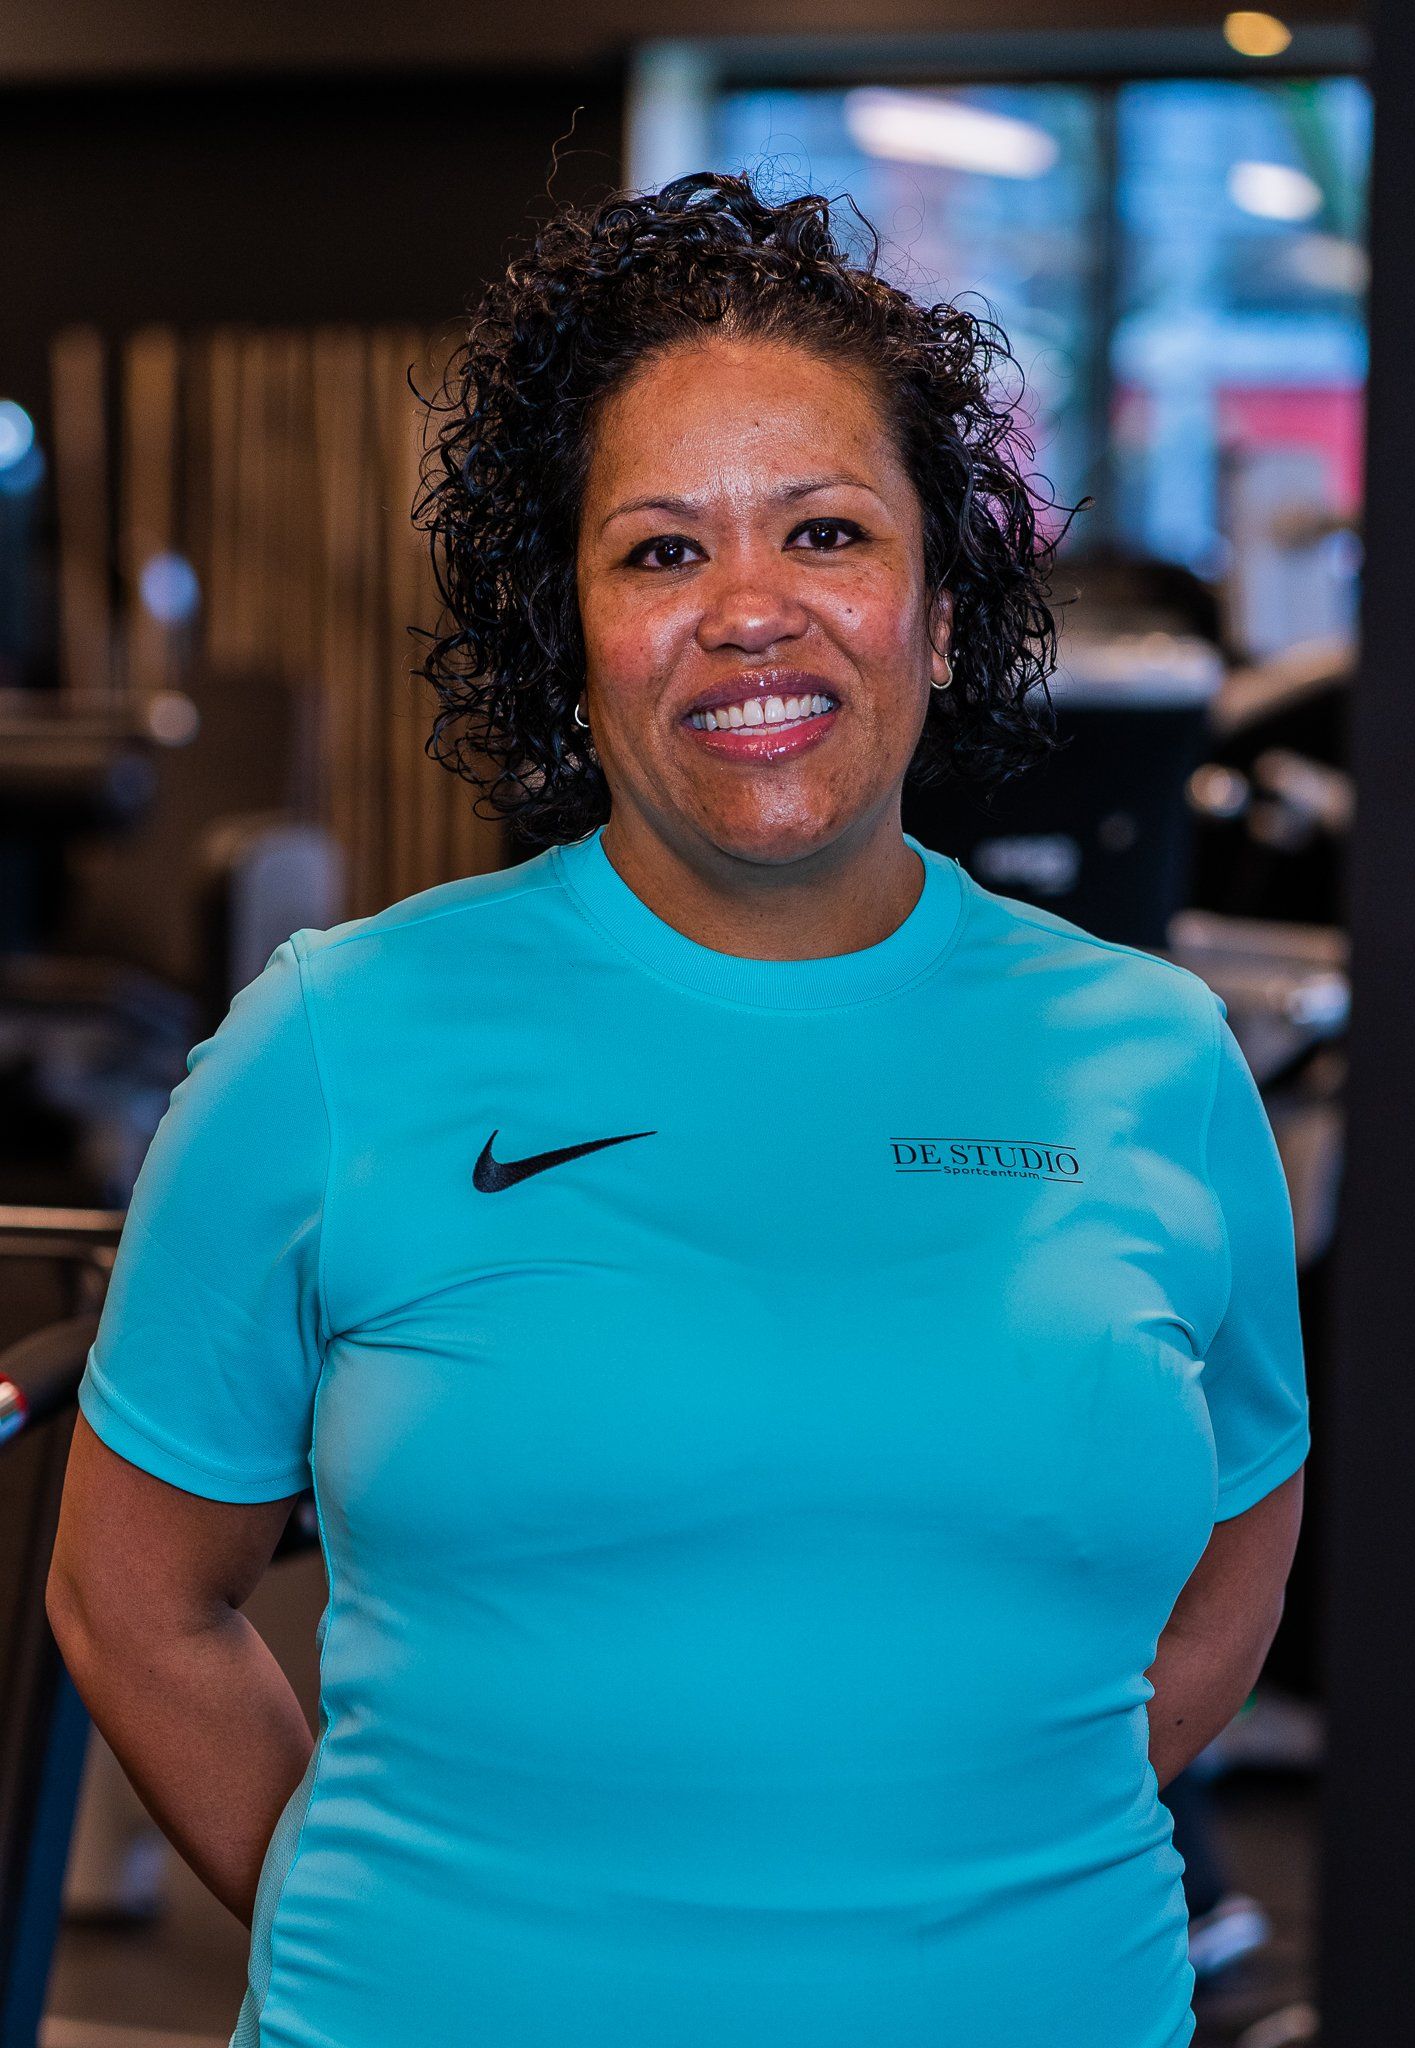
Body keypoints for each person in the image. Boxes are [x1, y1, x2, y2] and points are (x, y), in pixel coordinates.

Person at [46, 173, 1308, 2048]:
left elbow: (1245, 1513)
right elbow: (130, 1600)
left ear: (941, 613)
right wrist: (392, 1941)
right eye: (658, 553)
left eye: (824, 532)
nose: (749, 614)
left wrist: (989, 1836)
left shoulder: (1155, 1057)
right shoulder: (333, 1042)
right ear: (573, 633)